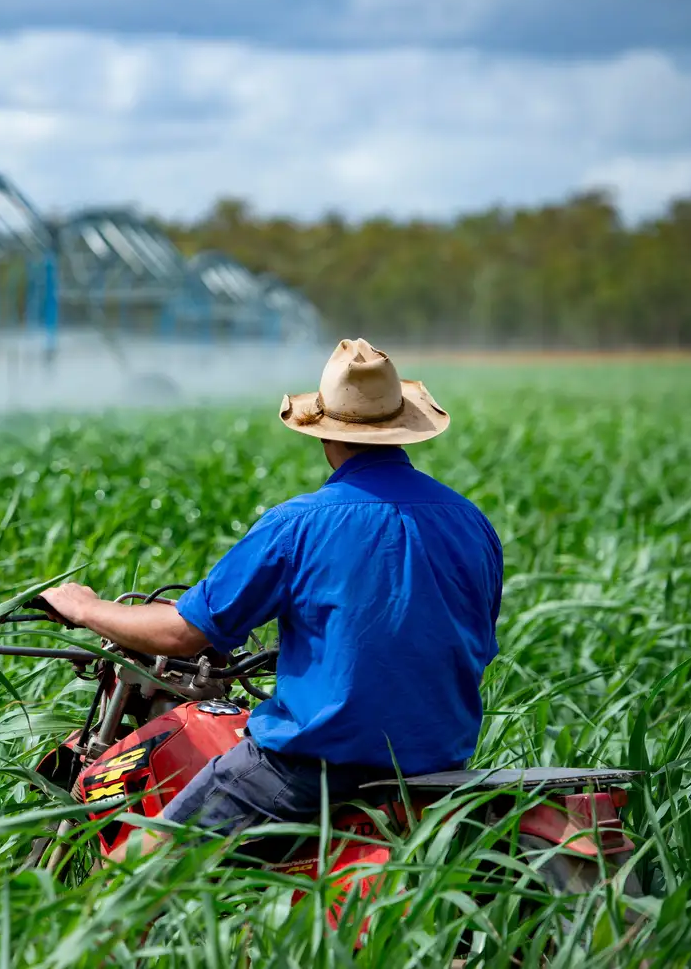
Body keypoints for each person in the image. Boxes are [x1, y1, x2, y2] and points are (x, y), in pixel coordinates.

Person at [37, 338, 503, 857]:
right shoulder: (471, 522)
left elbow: (182, 634)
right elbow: (469, 637)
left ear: (326, 437)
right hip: (440, 764)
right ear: (404, 431)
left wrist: (84, 607)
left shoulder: (299, 523)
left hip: (315, 768)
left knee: (134, 872)